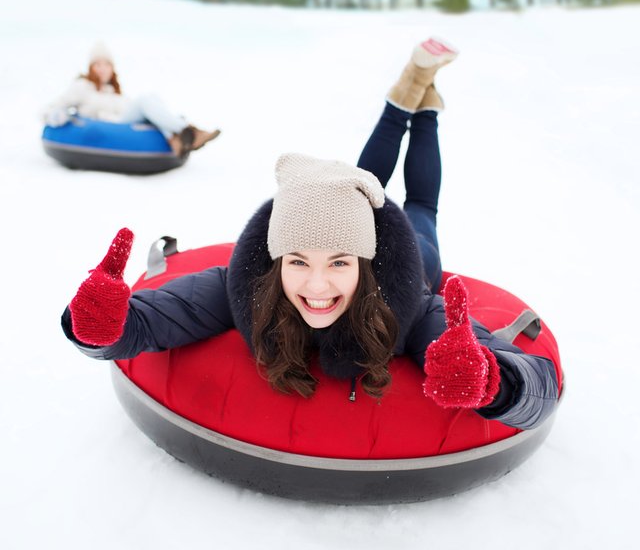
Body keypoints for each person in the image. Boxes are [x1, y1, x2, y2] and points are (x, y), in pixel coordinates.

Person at [61, 37, 559, 430]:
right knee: (366, 183)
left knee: (420, 203)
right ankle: (416, 87)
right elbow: (147, 323)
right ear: (276, 260)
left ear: (362, 266)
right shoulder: (240, 286)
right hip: (350, 225)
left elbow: (538, 388)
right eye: (298, 261)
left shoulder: (411, 308)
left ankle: (423, 109)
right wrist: (94, 327)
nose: (317, 287)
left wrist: (495, 384)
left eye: (340, 263)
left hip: (416, 254)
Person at [43, 42, 220, 156]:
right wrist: (56, 115)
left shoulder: (115, 92)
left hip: (124, 125)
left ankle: (177, 138)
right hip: (107, 127)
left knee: (151, 98)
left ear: (112, 68)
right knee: (144, 100)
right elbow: (50, 108)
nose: (102, 69)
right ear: (90, 68)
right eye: (97, 65)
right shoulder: (82, 87)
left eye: (106, 64)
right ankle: (189, 132)